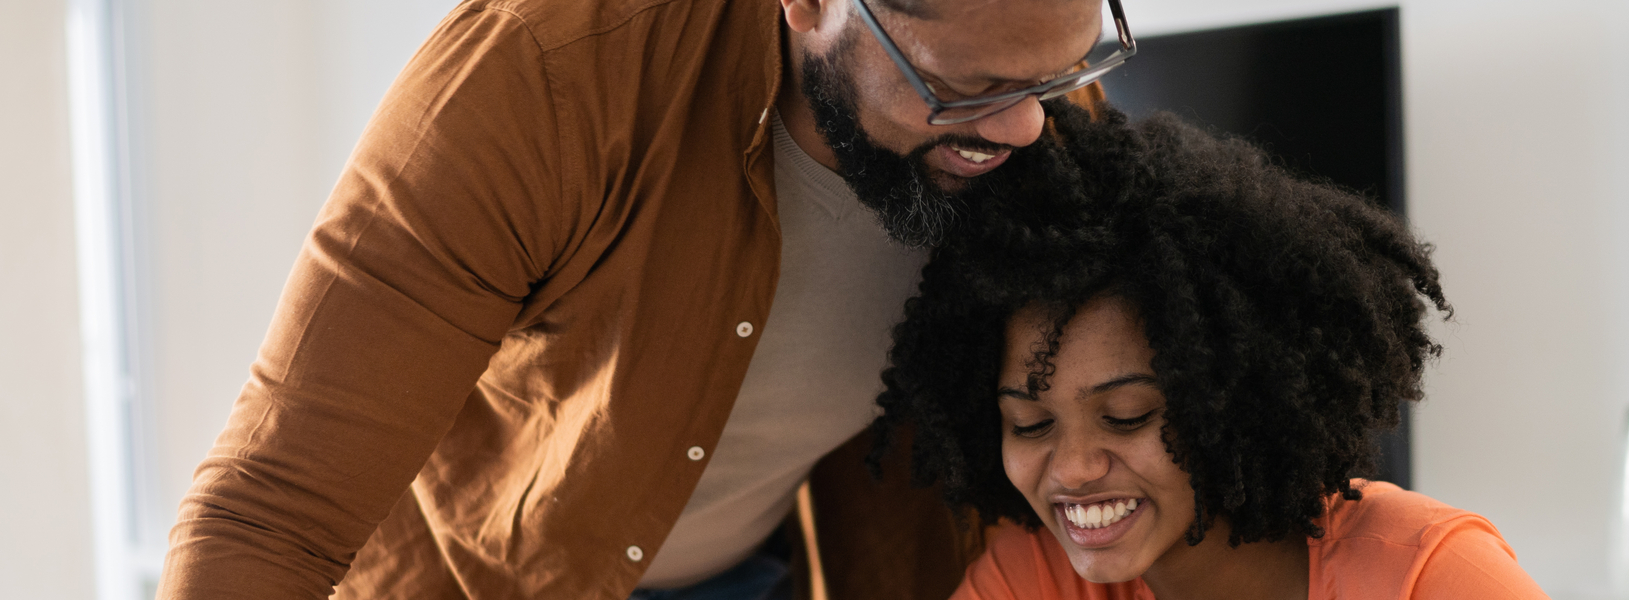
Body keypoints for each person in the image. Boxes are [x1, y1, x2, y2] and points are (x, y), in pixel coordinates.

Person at [154, 0, 1128, 596]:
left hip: (752, 573)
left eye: (1058, 70)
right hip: (480, 581)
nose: (1021, 130)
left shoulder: (1036, 116)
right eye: (964, 87)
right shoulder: (548, 72)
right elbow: (268, 513)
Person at [868, 105, 1552, 599]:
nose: (1073, 470)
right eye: (1031, 424)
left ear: (1234, 400)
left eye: (1128, 415)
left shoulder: (1427, 576)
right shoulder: (1033, 579)